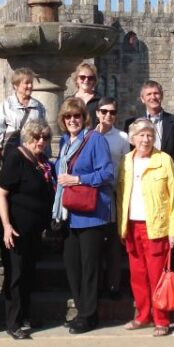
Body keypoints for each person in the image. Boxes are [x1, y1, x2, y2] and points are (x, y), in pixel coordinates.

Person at [53, 97, 114, 334]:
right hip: (69, 214)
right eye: (68, 117)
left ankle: (90, 315)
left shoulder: (95, 139)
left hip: (91, 214)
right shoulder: (66, 143)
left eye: (76, 116)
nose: (72, 120)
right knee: (72, 266)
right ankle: (82, 310)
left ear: (84, 117)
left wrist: (78, 179)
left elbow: (107, 174)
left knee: (90, 267)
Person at [116, 118, 174, 337]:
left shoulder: (164, 160)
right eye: (141, 135)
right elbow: (121, 196)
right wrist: (121, 227)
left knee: (156, 276)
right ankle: (143, 315)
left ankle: (161, 319)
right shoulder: (126, 161)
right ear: (132, 139)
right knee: (137, 275)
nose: (145, 139)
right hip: (131, 226)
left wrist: (173, 231)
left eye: (149, 135)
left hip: (156, 226)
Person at [0, 120, 55, 340]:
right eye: (36, 137)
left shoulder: (41, 161)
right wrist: (6, 226)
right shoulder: (15, 158)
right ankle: (12, 322)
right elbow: (1, 194)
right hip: (16, 228)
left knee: (29, 272)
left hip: (33, 229)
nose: (40, 141)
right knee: (16, 274)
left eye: (45, 138)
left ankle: (25, 316)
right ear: (27, 137)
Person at [94, 96, 131, 299]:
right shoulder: (89, 136)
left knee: (115, 244)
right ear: (97, 113)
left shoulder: (123, 138)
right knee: (96, 241)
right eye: (104, 111)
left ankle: (114, 286)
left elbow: (126, 168)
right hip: (95, 195)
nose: (108, 115)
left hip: (116, 194)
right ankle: (97, 286)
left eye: (112, 112)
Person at [124, 80, 174, 171]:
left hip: (168, 175)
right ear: (142, 99)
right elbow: (127, 151)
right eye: (149, 94)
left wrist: (168, 163)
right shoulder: (131, 123)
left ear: (162, 96)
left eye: (156, 93)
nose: (153, 97)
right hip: (140, 175)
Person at [0, 68, 47, 171]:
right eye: (26, 83)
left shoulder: (38, 106)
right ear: (16, 85)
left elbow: (44, 131)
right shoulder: (7, 105)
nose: (30, 86)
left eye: (31, 83)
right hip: (12, 152)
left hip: (32, 153)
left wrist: (44, 154)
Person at [69, 61, 101, 127]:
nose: (86, 80)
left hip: (94, 135)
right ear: (76, 79)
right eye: (82, 77)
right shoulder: (69, 101)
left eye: (90, 78)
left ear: (94, 80)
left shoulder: (100, 100)